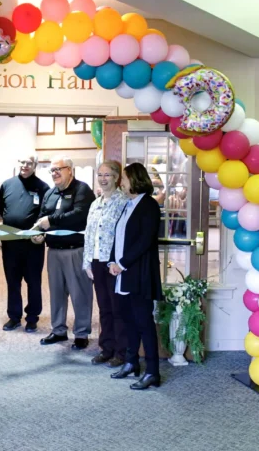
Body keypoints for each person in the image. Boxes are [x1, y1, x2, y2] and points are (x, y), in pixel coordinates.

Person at [108, 163, 163, 390]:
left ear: (136, 179)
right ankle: (132, 362)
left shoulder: (149, 205)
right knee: (128, 320)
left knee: (144, 322)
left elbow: (144, 241)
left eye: (125, 179)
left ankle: (152, 372)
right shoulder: (128, 204)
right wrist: (112, 260)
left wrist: (122, 263)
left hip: (139, 273)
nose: (122, 183)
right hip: (123, 273)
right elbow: (118, 235)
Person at [35, 156, 96, 350]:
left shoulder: (82, 190)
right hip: (53, 252)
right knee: (57, 294)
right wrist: (39, 234)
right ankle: (59, 330)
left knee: (80, 294)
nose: (55, 173)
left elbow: (79, 215)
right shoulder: (50, 193)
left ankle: (81, 333)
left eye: (58, 169)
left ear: (70, 170)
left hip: (75, 250)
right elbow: (41, 218)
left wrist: (51, 221)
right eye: (52, 171)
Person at [83, 161, 129, 368]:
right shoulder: (95, 203)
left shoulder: (124, 202)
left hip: (113, 263)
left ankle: (121, 352)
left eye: (107, 175)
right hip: (96, 262)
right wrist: (87, 263)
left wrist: (119, 262)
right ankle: (106, 348)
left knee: (118, 308)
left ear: (117, 178)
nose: (103, 179)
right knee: (103, 308)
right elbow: (89, 236)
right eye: (100, 175)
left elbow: (125, 236)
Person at [0, 154, 50, 332]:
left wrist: (42, 235)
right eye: (22, 162)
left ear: (35, 165)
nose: (25, 166)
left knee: (33, 281)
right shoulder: (7, 185)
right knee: (13, 281)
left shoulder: (43, 187)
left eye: (30, 163)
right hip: (10, 243)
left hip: (33, 244)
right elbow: (1, 212)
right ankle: (14, 316)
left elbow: (46, 215)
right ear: (18, 162)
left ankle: (33, 317)